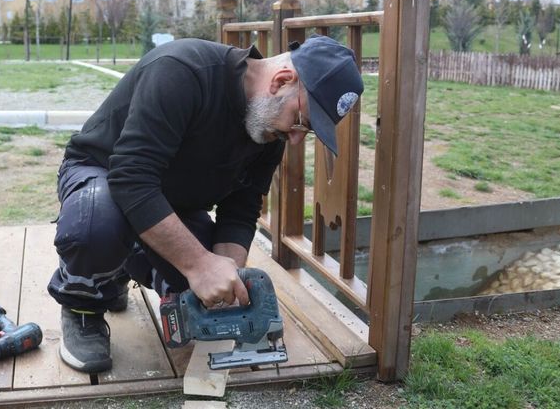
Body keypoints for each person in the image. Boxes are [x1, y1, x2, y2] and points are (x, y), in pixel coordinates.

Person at [46, 34, 364, 373]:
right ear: (282, 81)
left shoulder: (269, 130)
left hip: (167, 200)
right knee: (97, 227)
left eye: (307, 131)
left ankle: (116, 269)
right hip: (103, 174)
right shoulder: (182, 71)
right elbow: (131, 178)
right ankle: (82, 303)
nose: (297, 138)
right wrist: (199, 265)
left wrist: (227, 276)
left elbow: (242, 206)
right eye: (302, 122)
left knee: (199, 290)